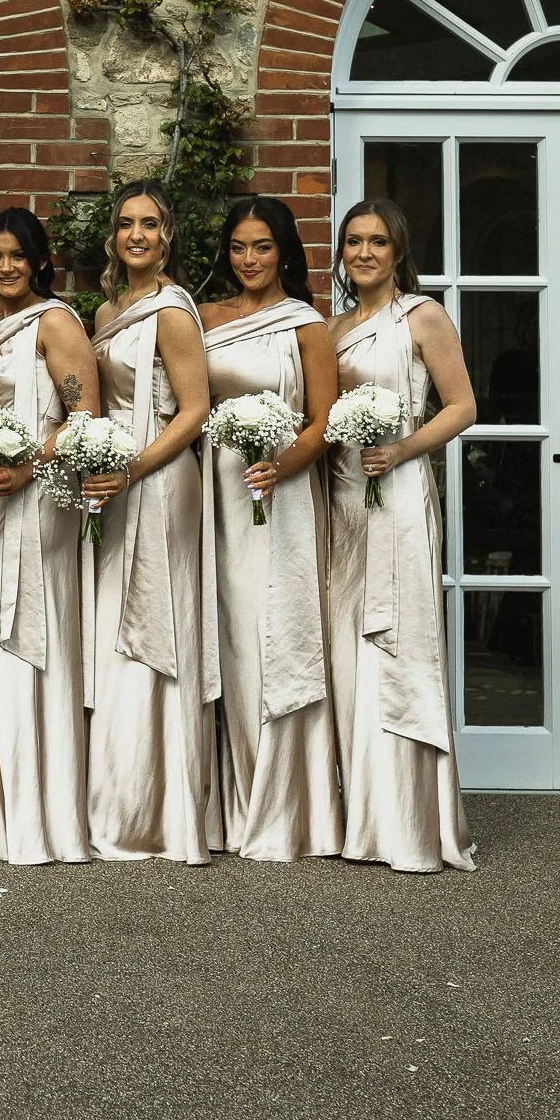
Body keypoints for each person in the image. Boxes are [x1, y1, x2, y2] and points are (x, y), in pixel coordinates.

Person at [328, 199, 478, 873]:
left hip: (401, 493)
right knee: (347, 649)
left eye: (377, 242)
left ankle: (412, 824)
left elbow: (463, 406)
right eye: (354, 242)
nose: (363, 253)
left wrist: (404, 450)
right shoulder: (332, 330)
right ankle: (363, 814)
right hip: (344, 499)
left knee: (400, 643)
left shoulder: (422, 316)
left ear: (398, 251)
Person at [197, 196, 343, 862]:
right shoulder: (205, 320)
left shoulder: (306, 325)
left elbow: (323, 421)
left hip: (277, 495)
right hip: (219, 492)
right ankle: (230, 802)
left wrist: (281, 467)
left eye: (261, 247)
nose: (249, 260)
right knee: (228, 635)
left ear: (285, 251)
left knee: (274, 633)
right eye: (238, 247)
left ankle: (284, 804)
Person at [83, 180, 217, 865]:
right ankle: (120, 795)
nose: (137, 235)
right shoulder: (110, 307)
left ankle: (162, 809)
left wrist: (133, 468)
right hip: (117, 475)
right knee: (118, 626)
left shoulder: (171, 310)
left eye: (151, 225)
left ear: (168, 238)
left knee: (157, 621)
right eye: (127, 224)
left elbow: (194, 410)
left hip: (162, 477)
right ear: (114, 235)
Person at [0, 208, 98, 866]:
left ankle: (35, 812)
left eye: (18, 255)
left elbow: (88, 419)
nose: (6, 267)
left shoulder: (55, 322)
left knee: (25, 635)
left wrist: (27, 467)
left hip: (39, 498)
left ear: (40, 261)